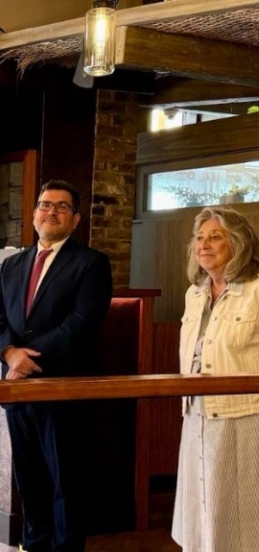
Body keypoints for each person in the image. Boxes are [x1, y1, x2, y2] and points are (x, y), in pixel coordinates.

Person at [0, 180, 112, 552]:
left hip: (63, 389)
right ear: (34, 214)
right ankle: (34, 546)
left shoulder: (91, 263)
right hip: (17, 390)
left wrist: (25, 360)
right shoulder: (12, 264)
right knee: (29, 480)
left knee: (66, 483)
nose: (50, 211)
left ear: (74, 219)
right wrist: (10, 354)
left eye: (61, 206)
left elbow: (80, 322)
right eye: (44, 204)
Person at [172, 207, 259, 552]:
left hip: (245, 415)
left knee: (240, 516)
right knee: (200, 509)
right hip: (195, 412)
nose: (204, 244)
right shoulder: (194, 293)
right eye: (199, 238)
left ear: (237, 243)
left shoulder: (255, 290)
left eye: (215, 236)